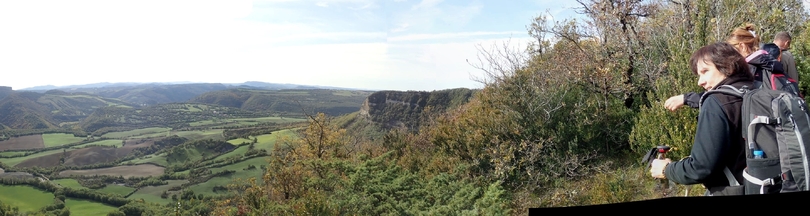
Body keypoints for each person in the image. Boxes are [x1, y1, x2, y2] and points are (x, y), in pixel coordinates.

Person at [650, 42, 753, 196]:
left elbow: (700, 168)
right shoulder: (755, 90)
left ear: (728, 66)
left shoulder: (716, 101)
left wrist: (666, 169)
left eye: (705, 71)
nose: (700, 81)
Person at [664, 23, 784, 111]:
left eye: (732, 49)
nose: (730, 56)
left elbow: (726, 97)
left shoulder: (750, 68)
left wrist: (686, 99)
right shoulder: (769, 63)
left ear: (742, 46)